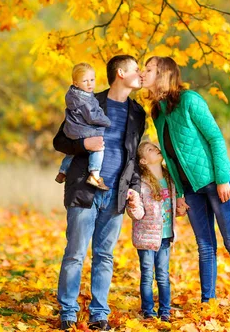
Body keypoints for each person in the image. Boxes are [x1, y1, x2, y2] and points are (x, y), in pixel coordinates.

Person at [140, 56, 230, 319]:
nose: (143, 73)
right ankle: (209, 304)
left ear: (163, 74)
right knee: (205, 245)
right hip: (190, 189)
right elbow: (170, 158)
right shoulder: (157, 112)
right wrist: (180, 194)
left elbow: (215, 137)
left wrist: (223, 178)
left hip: (215, 183)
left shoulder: (190, 100)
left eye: (148, 69)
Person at [53, 54, 146, 331]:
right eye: (135, 69)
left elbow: (134, 157)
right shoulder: (89, 100)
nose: (140, 73)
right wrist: (84, 144)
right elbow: (60, 140)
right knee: (75, 254)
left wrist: (134, 189)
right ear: (120, 73)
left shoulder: (137, 113)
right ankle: (68, 313)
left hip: (115, 193)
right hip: (85, 189)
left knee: (105, 256)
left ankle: (99, 315)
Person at [126, 141, 187, 323]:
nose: (156, 149)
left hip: (166, 236)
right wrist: (133, 203)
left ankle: (165, 311)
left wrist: (181, 208)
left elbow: (173, 205)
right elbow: (138, 214)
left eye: (155, 147)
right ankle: (148, 311)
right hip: (146, 237)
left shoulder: (169, 179)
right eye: (150, 150)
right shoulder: (142, 184)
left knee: (162, 274)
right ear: (143, 161)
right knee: (147, 275)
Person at [55, 62, 112, 190]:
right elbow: (93, 117)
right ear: (76, 83)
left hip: (73, 129)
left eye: (92, 79)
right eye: (85, 81)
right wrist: (107, 121)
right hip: (82, 129)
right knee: (98, 147)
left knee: (71, 153)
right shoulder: (84, 100)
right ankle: (95, 174)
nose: (89, 83)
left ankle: (63, 171)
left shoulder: (73, 95)